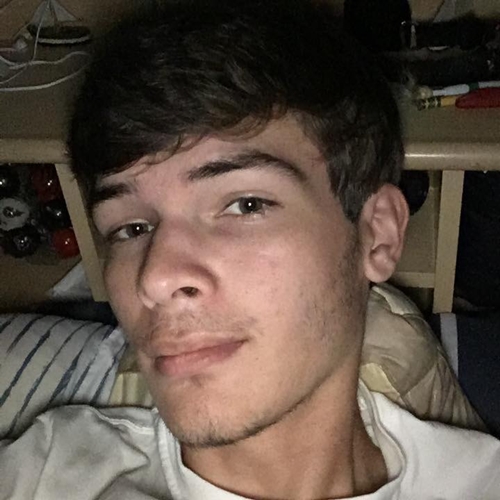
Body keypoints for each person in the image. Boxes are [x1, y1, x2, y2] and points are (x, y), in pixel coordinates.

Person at [1, 0, 500, 498]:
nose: (156, 278)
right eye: (131, 229)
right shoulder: (46, 472)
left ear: (378, 234)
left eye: (245, 205)